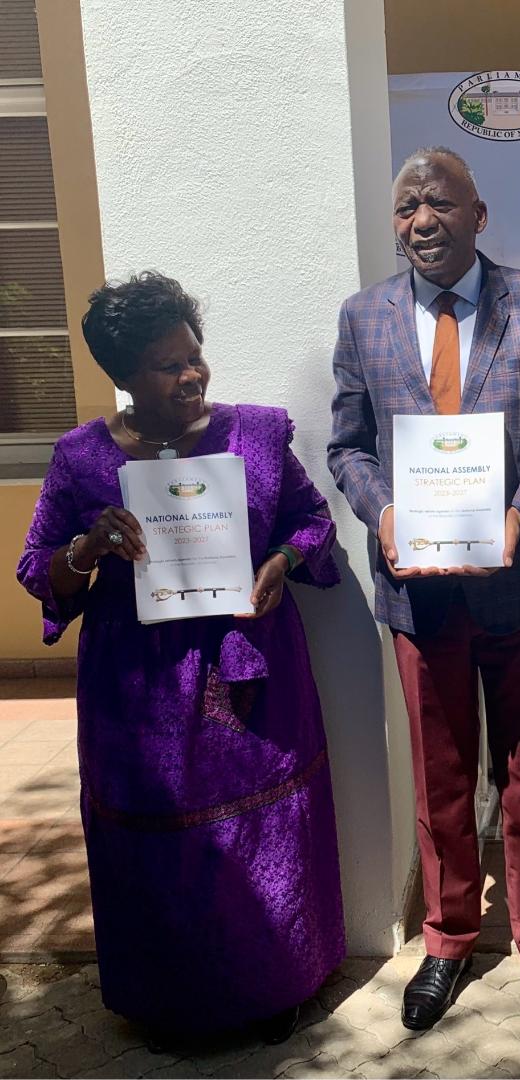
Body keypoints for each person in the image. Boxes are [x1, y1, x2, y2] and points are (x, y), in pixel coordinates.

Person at [328, 147, 520, 1035]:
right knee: (440, 780)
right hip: (419, 598)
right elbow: (348, 446)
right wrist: (381, 513)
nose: (422, 220)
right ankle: (448, 940)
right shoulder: (363, 316)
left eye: (441, 203)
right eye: (407, 205)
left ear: (479, 215)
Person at [18, 271, 345, 1044]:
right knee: (156, 844)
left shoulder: (256, 435)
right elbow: (39, 567)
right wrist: (88, 546)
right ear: (124, 375)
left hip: (249, 669)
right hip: (137, 687)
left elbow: (312, 522)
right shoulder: (81, 458)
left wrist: (282, 564)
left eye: (195, 355)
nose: (193, 374)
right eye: (169, 365)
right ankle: (171, 1004)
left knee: (263, 832)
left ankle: (275, 988)